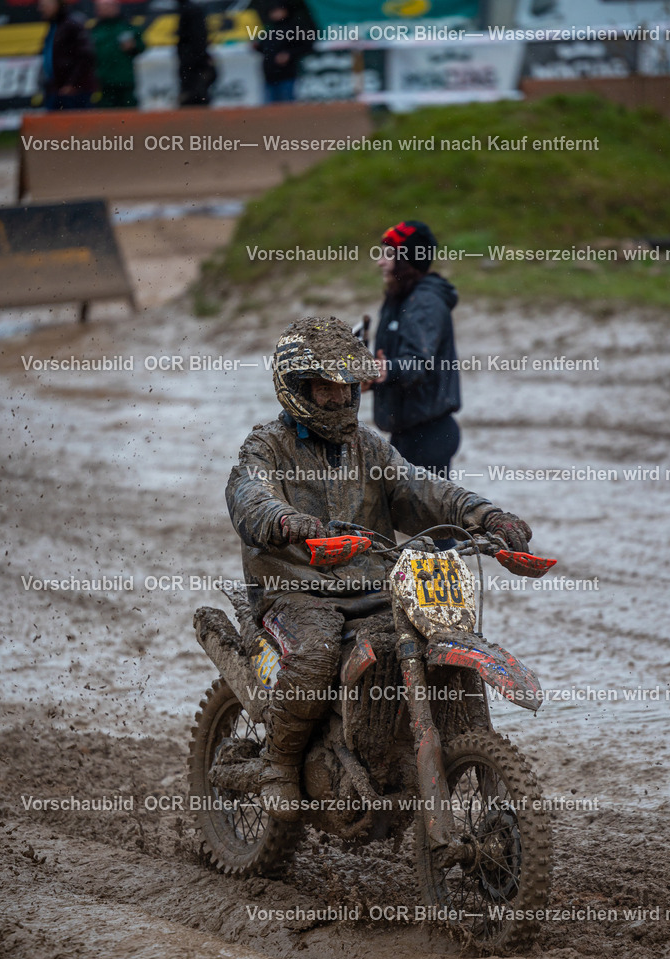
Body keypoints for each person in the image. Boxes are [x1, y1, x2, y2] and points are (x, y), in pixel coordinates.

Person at [226, 316, 533, 820]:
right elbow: (249, 495)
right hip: (296, 594)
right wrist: (287, 521)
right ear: (297, 386)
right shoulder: (266, 446)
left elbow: (423, 487)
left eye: (347, 386)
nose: (339, 398)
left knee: (441, 634)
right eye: (325, 387)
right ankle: (278, 764)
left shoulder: (368, 447)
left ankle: (446, 754)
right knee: (318, 652)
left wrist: (486, 515)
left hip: (373, 586)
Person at [369, 220, 461, 484]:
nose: (380, 262)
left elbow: (417, 364)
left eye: (388, 254)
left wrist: (385, 371)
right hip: (407, 433)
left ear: (407, 260)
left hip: (429, 436)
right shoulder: (400, 297)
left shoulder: (424, 302)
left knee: (425, 523)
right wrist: (372, 379)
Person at [38, 0, 97, 111]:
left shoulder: (71, 24)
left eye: (44, 5)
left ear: (57, 5)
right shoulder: (55, 26)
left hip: (72, 90)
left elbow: (86, 56)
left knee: (78, 125)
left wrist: (72, 84)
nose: (41, 9)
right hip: (56, 88)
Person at [252, 3, 311, 104]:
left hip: (287, 75)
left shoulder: (294, 27)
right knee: (269, 110)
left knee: (287, 106)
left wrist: (289, 54)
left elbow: (306, 45)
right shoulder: (269, 28)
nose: (276, 14)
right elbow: (266, 48)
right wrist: (257, 46)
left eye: (278, 10)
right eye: (273, 11)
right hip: (269, 75)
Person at [91, 0, 145, 109]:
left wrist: (133, 47)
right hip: (103, 82)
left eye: (108, 6)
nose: (105, 9)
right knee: (105, 115)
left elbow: (141, 47)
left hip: (125, 80)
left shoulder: (126, 26)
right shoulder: (94, 30)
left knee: (129, 114)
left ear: (117, 7)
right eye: (101, 7)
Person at [176, 0, 217, 107]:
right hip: (195, 58)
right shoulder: (194, 10)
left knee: (192, 93)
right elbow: (199, 37)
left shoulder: (189, 10)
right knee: (199, 92)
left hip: (191, 59)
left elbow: (195, 38)